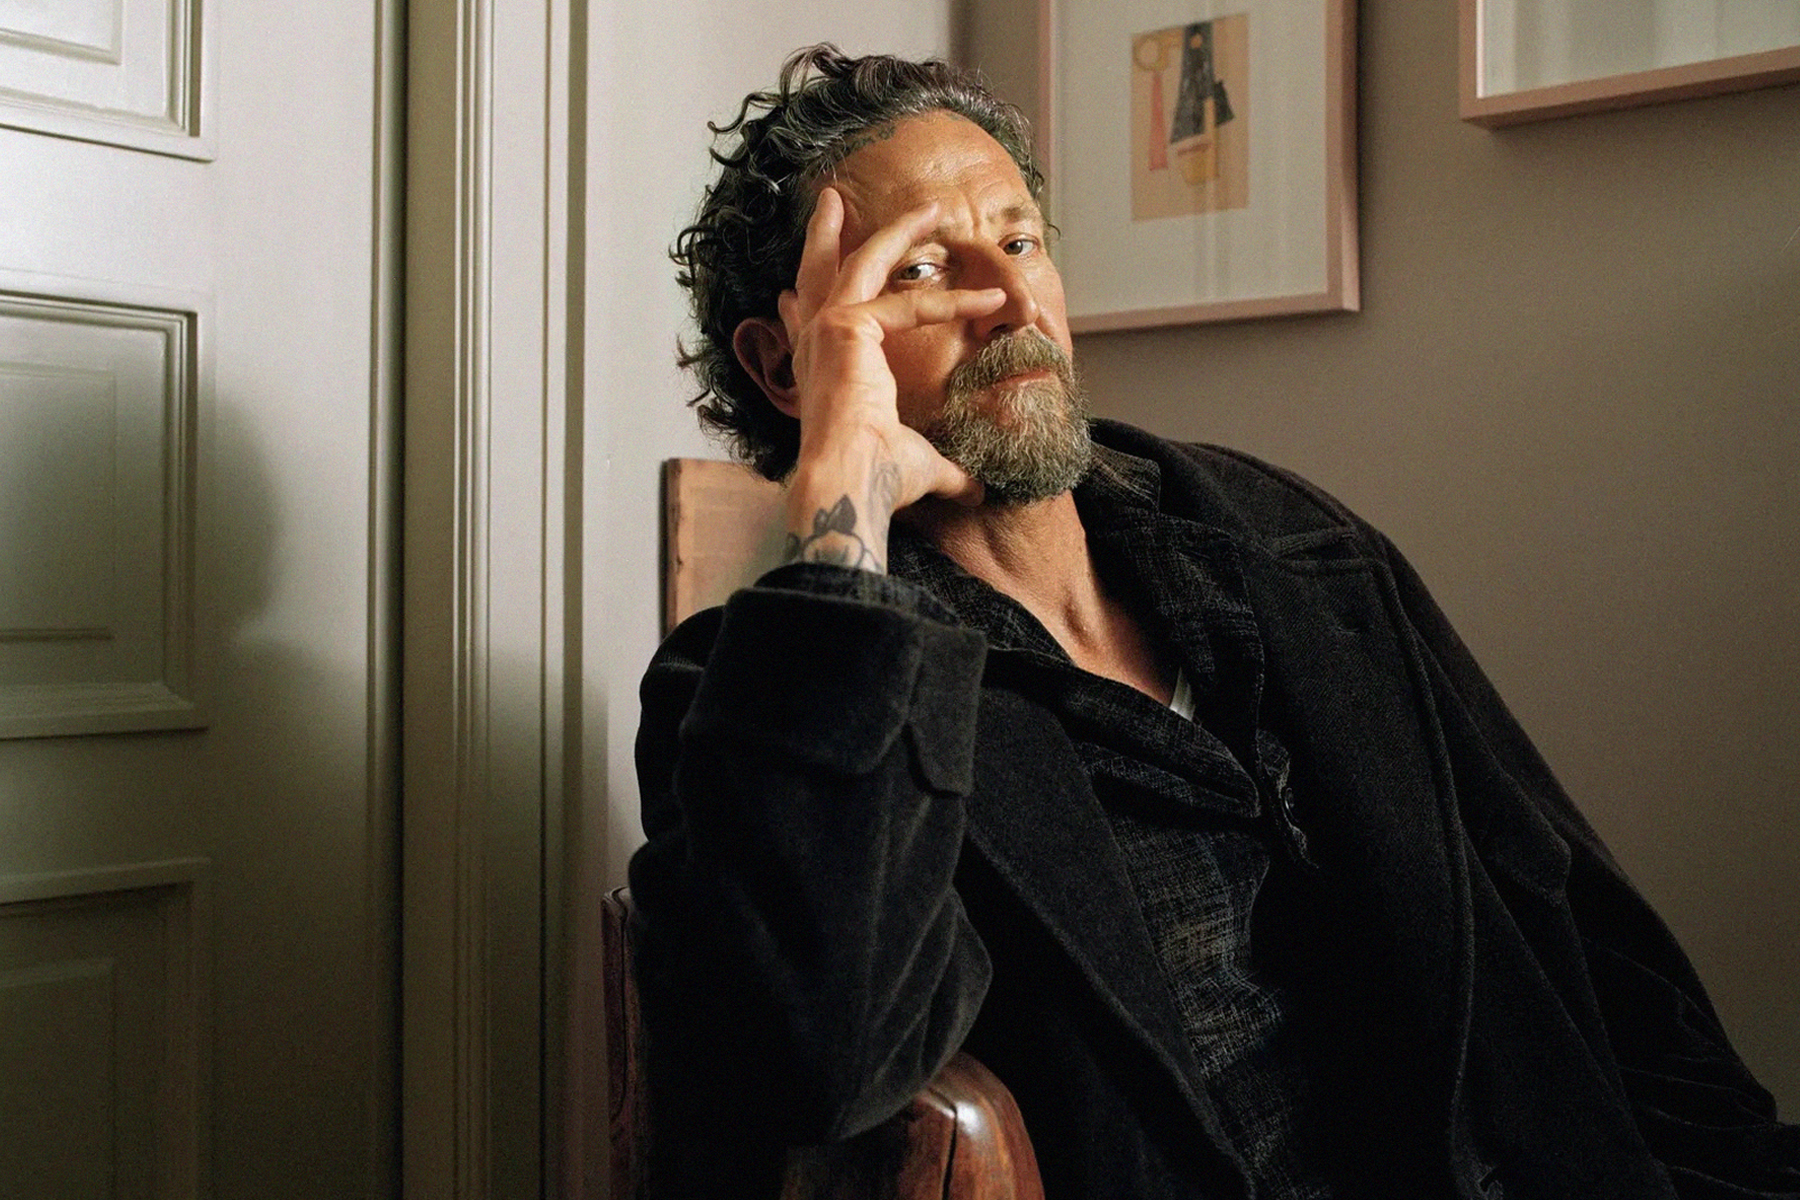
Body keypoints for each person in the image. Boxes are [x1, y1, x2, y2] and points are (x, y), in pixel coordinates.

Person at [628, 45, 1799, 1199]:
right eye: (927, 268)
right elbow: (817, 1067)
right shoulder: (750, 703)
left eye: (1021, 241)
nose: (1014, 302)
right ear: (788, 364)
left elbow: (1574, 918)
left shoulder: (1284, 539)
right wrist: (843, 520)